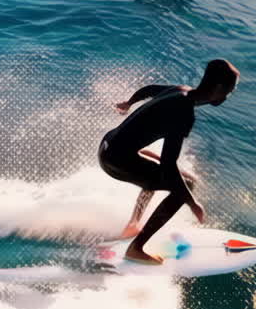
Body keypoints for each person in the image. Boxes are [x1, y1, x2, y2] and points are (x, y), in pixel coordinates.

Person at [100, 59, 239, 264]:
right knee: (183, 186)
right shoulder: (184, 113)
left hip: (109, 144)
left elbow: (149, 90)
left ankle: (133, 224)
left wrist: (129, 103)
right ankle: (136, 248)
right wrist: (193, 203)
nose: (228, 96)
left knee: (164, 177)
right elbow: (168, 164)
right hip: (115, 159)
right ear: (218, 88)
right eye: (229, 91)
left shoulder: (180, 90)